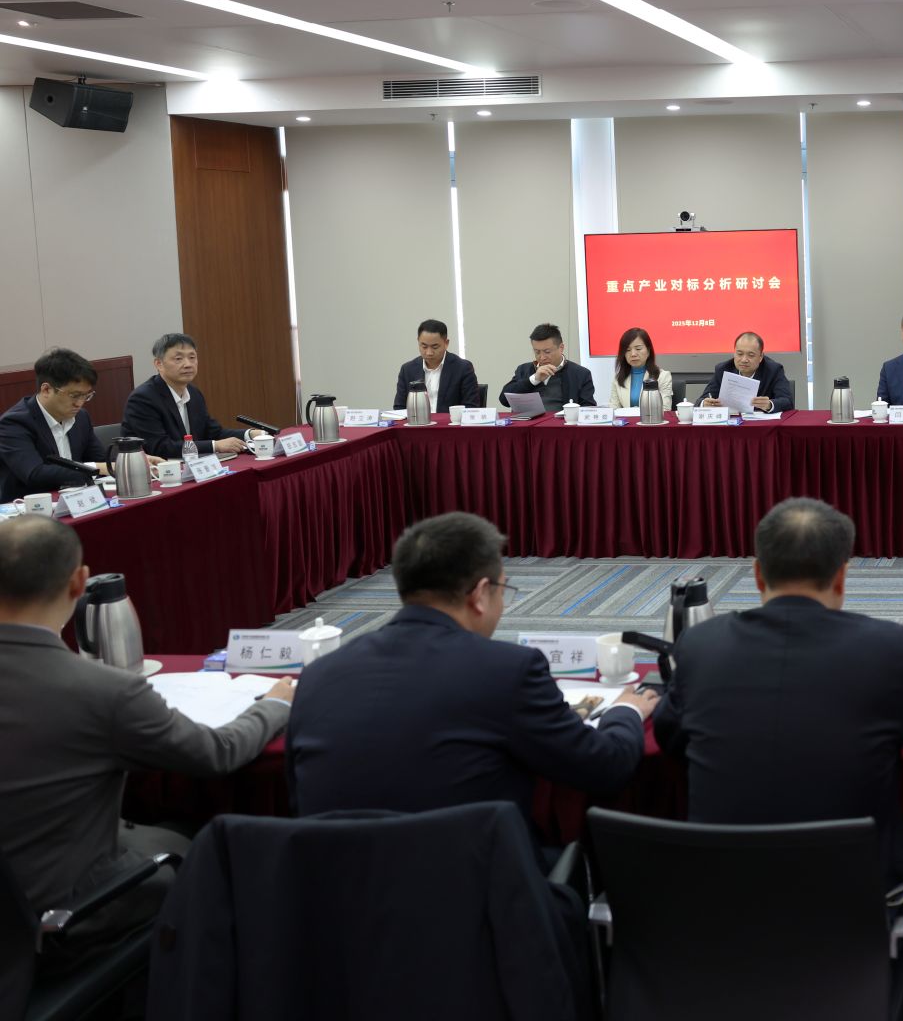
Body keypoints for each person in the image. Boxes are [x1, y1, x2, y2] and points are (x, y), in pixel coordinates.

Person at [0, 515, 291, 977]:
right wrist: (275, 704)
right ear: (79, 582)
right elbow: (216, 754)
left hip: (21, 889)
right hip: (58, 921)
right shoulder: (100, 690)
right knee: (215, 846)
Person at [653, 498, 903, 886]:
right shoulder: (892, 650)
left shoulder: (699, 646)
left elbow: (668, 736)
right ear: (842, 576)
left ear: (757, 575)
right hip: (855, 898)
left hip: (718, 899)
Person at [286, 512, 658, 845]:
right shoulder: (508, 670)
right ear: (480, 595)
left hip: (334, 892)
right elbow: (603, 767)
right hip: (471, 889)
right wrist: (625, 711)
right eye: (503, 589)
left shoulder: (318, 675)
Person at [0, 348, 114, 501]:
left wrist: (127, 460)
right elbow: (35, 474)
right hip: (29, 507)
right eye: (74, 395)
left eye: (86, 396)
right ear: (46, 389)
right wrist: (94, 468)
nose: (80, 403)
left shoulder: (81, 418)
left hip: (77, 500)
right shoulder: (14, 424)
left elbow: (101, 460)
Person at [122, 333, 250, 457]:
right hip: (158, 468)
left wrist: (250, 434)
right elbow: (160, 447)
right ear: (159, 364)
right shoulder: (143, 398)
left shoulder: (194, 393)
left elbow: (213, 432)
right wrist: (214, 446)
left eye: (192, 357)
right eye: (178, 359)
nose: (188, 364)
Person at [499, 323, 596, 412]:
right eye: (537, 352)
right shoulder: (523, 370)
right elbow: (504, 400)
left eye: (547, 352)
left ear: (561, 348)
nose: (542, 357)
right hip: (527, 424)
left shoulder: (580, 374)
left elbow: (588, 409)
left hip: (560, 424)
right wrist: (534, 380)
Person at [392, 319, 483, 412]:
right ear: (418, 341)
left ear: (446, 343)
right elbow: (399, 408)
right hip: (417, 421)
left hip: (450, 421)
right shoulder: (407, 370)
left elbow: (471, 407)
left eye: (435, 347)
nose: (429, 352)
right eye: (424, 346)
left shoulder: (463, 368)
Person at [702, 330, 795, 413]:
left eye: (751, 355)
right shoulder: (723, 369)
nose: (744, 360)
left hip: (760, 424)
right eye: (739, 354)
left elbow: (787, 401)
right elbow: (702, 399)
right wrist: (705, 403)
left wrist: (769, 404)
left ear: (760, 357)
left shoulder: (773, 370)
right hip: (730, 423)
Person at [605, 326, 674, 411]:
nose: (633, 354)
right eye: (628, 350)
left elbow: (665, 410)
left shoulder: (662, 376)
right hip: (627, 420)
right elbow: (613, 409)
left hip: (652, 419)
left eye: (638, 348)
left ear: (648, 351)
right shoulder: (618, 378)